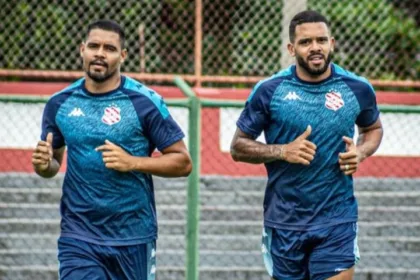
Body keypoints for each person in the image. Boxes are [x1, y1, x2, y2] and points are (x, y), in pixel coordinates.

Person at [31, 19, 192, 280]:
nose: (100, 53)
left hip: (134, 236)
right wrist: (43, 165)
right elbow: (52, 165)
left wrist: (133, 162)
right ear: (82, 49)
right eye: (94, 46)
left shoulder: (145, 102)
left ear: (123, 55)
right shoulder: (59, 103)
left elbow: (183, 162)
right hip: (79, 235)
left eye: (109, 48)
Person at [230, 10, 383, 280]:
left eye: (321, 40)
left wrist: (361, 152)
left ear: (332, 43)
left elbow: (372, 129)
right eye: (305, 42)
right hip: (284, 220)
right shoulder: (269, 90)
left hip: (337, 217)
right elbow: (238, 147)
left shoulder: (357, 88)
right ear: (291, 48)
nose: (315, 48)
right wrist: (281, 151)